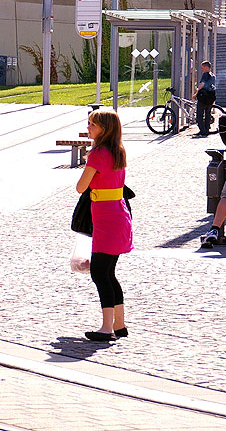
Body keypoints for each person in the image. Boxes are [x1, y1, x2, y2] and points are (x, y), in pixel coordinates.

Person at [76, 110, 133, 342]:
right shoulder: (118, 151)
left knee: (100, 273)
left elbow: (81, 187)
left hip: (106, 219)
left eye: (92, 124)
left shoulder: (97, 154)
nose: (89, 128)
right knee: (109, 272)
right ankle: (119, 324)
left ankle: (106, 327)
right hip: (119, 215)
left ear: (104, 129)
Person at [193, 60, 217, 136]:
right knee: (207, 114)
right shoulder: (213, 75)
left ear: (206, 67)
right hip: (210, 97)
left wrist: (196, 93)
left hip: (203, 97)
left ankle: (202, 131)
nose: (202, 69)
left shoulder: (205, 74)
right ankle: (206, 130)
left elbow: (202, 84)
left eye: (203, 68)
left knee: (199, 115)